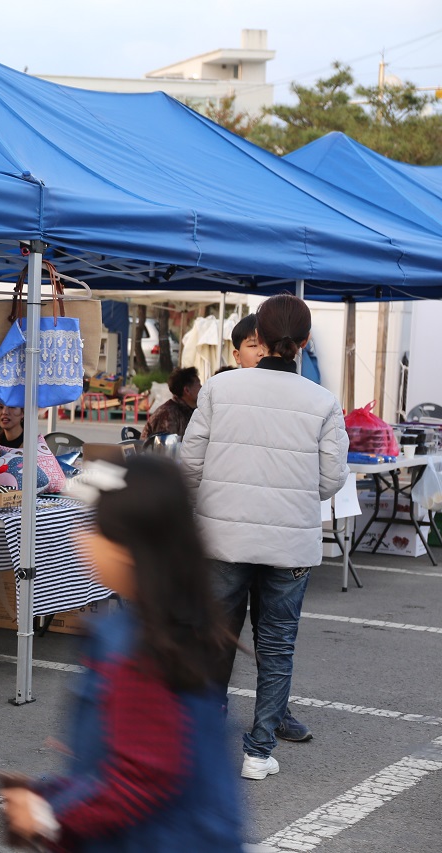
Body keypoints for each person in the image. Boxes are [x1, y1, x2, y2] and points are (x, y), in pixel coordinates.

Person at [0, 457, 243, 851]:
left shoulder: (140, 651)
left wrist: (45, 815)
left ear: (129, 550)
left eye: (94, 529)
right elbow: (132, 761)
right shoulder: (173, 622)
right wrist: (50, 793)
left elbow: (137, 780)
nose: (81, 539)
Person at [181, 293, 349, 781]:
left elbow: (190, 463)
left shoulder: (219, 389)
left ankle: (205, 738)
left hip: (222, 537)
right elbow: (331, 478)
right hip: (289, 543)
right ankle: (259, 752)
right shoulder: (322, 400)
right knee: (277, 646)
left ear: (261, 334)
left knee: (214, 639)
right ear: (303, 343)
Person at [233, 312, 310, 743]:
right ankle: (244, 735)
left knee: (273, 635)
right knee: (224, 631)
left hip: (275, 535)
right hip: (236, 533)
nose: (258, 352)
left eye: (259, 344)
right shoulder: (223, 391)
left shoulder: (309, 398)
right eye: (249, 346)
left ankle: (274, 715)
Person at [141, 367, 201, 440]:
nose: (202, 388)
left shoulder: (189, 410)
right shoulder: (168, 414)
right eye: (198, 385)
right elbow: (164, 448)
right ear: (187, 390)